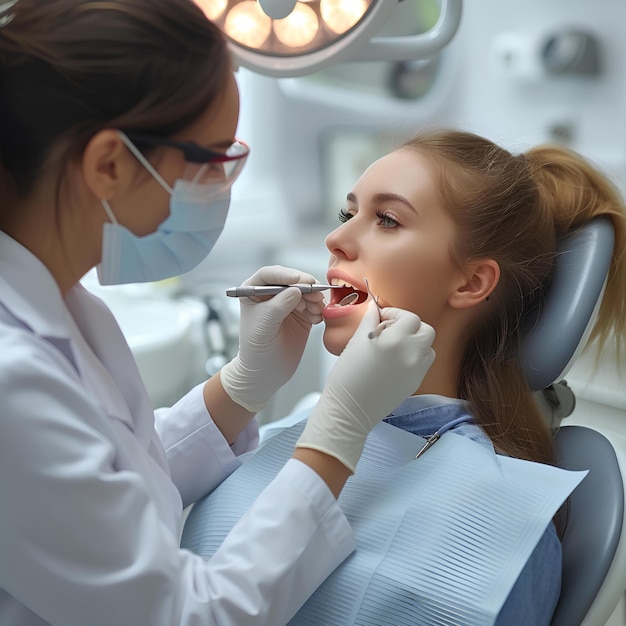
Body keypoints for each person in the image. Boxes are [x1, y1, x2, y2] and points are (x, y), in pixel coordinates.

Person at [0, 2, 437, 625]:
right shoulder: (11, 373)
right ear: (109, 165)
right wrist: (339, 427)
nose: (339, 242)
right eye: (211, 160)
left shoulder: (68, 306)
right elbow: (190, 617)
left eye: (388, 220)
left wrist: (239, 388)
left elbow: (104, 485)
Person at [181, 129, 626, 625]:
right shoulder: (304, 426)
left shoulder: (502, 521)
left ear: (471, 282)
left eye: (387, 220)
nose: (336, 240)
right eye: (348, 214)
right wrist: (242, 384)